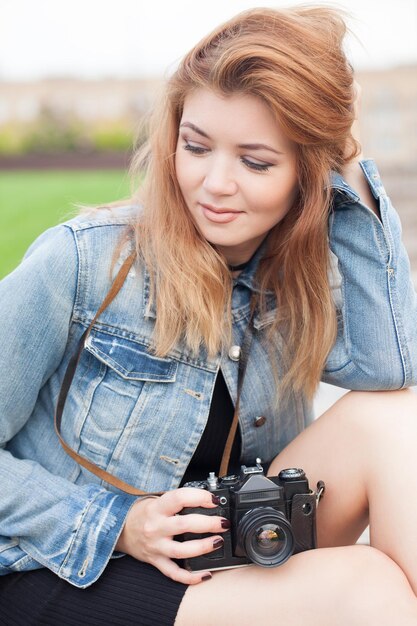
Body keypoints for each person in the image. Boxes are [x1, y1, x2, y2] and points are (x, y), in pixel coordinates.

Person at [1, 5, 417, 625]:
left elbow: (390, 369)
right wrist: (120, 525)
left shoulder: (294, 276)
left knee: (392, 418)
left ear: (309, 173)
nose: (214, 183)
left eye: (256, 161)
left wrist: (347, 165)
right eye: (196, 147)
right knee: (367, 589)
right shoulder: (79, 262)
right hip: (74, 565)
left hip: (228, 544)